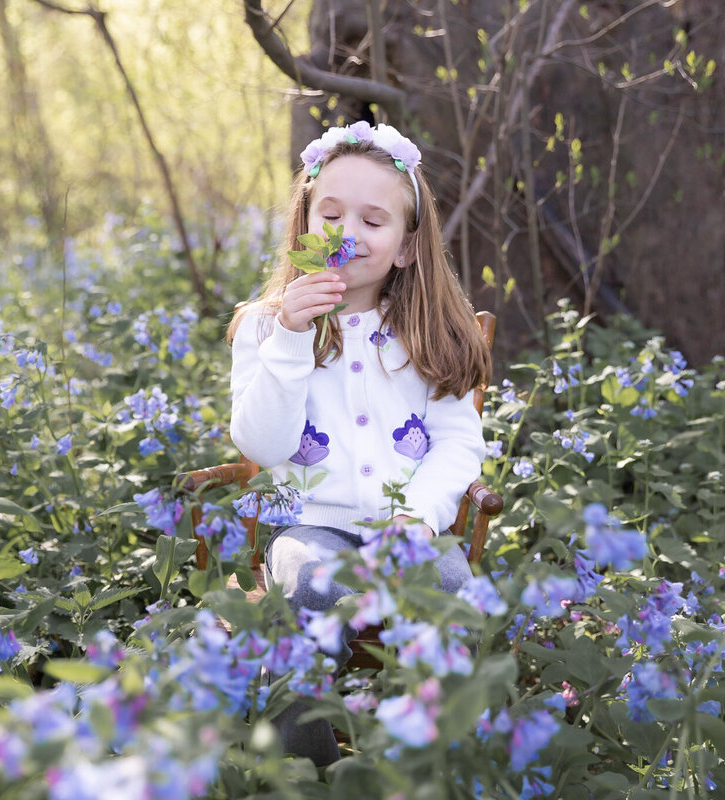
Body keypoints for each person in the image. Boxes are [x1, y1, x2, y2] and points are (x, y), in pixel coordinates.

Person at [226, 121, 492, 766]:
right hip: (312, 523)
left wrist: (418, 519)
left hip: (410, 528)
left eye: (373, 221)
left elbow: (458, 446)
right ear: (304, 228)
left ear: (405, 247)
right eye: (332, 214)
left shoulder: (429, 332)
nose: (348, 233)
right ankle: (306, 765)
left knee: (457, 598)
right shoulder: (266, 328)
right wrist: (292, 334)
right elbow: (261, 442)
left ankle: (436, 761)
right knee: (302, 591)